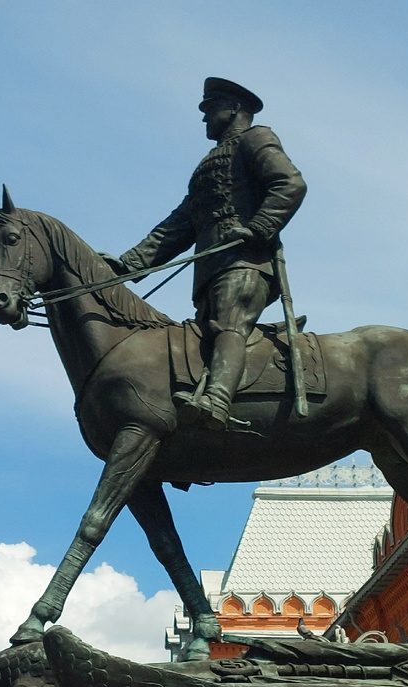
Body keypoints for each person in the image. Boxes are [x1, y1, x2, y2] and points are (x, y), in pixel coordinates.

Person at [112, 77, 307, 431]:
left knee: (230, 324)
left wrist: (258, 227)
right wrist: (129, 263)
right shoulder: (208, 163)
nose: (204, 118)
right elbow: (181, 223)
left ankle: (216, 402)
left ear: (234, 108)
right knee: (204, 340)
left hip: (246, 262)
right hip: (212, 269)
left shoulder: (256, 138)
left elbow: (290, 183)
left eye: (210, 109)